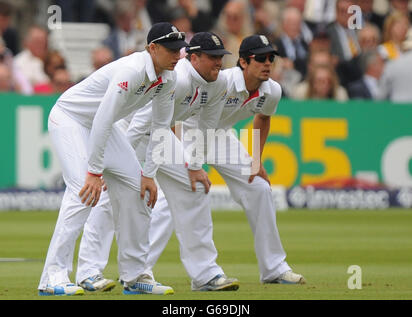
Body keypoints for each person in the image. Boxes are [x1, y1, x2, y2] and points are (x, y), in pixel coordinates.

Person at [76, 31, 240, 293]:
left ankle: (205, 274)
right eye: (213, 57)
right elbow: (141, 122)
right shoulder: (180, 79)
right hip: (131, 132)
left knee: (194, 186)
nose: (219, 63)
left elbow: (207, 126)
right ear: (194, 57)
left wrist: (196, 166)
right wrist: (120, 164)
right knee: (111, 198)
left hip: (159, 135)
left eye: (221, 57)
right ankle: (88, 271)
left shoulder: (218, 83)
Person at [38, 22, 187, 296]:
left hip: (101, 125)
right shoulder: (130, 71)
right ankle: (53, 277)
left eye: (180, 49)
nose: (178, 55)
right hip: (71, 119)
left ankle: (134, 275)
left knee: (138, 190)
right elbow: (104, 119)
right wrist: (94, 172)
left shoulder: (169, 77)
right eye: (171, 50)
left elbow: (160, 127)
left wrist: (149, 174)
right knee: (82, 192)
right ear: (152, 49)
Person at [144, 35, 306, 285]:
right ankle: (139, 270)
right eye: (260, 58)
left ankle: (274, 269)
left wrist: (256, 159)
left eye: (270, 58)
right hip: (190, 132)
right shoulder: (224, 81)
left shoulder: (272, 90)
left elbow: (262, 118)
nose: (267, 63)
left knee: (259, 188)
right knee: (180, 194)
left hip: (220, 136)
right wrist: (178, 151)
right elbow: (179, 111)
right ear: (242, 61)